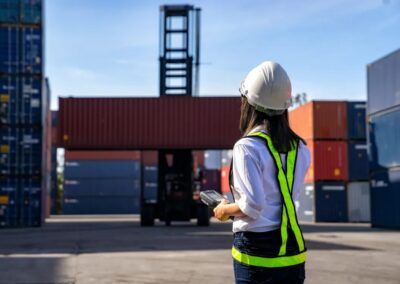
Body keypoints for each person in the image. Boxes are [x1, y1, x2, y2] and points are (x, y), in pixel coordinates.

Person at [213, 61, 310, 284]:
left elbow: (252, 206)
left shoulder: (247, 147)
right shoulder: (301, 148)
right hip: (292, 253)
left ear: (248, 103)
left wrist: (223, 209)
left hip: (257, 254)